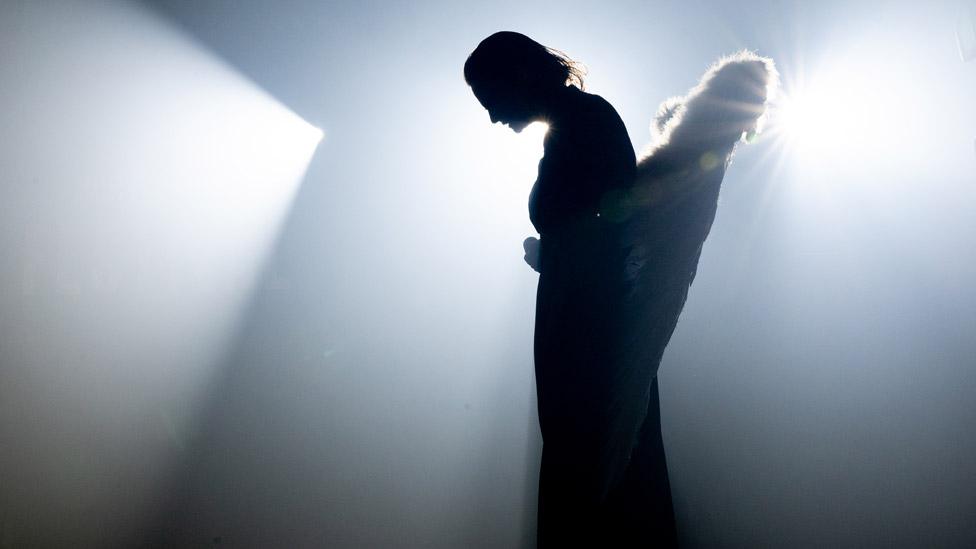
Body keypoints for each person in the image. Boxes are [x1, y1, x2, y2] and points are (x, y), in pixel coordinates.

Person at [464, 31, 775, 547]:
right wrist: (554, 255)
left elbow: (616, 224)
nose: (494, 117)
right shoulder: (570, 127)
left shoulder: (588, 121)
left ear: (518, 75)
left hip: (593, 329)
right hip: (576, 318)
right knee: (589, 462)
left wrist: (564, 254)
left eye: (491, 100)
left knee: (601, 461)